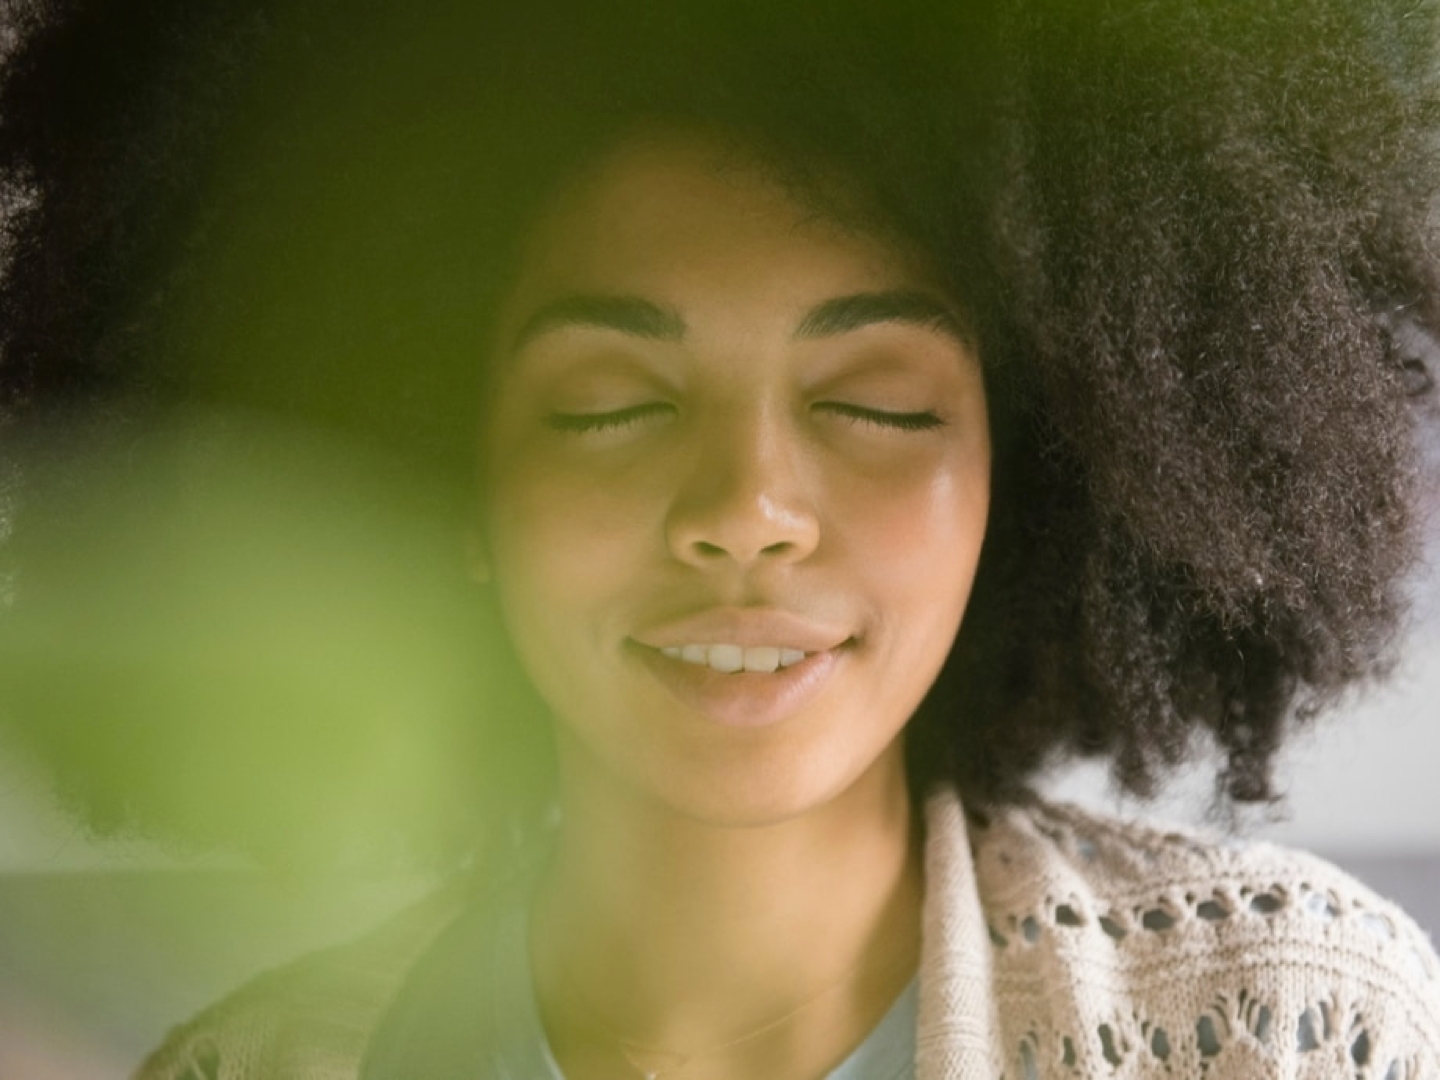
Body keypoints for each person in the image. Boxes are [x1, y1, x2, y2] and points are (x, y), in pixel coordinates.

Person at [1, 0, 1439, 1077]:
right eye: (615, 405)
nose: (746, 509)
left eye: (874, 403)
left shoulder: (1301, 1028)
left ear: (1039, 473)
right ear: (446, 481)